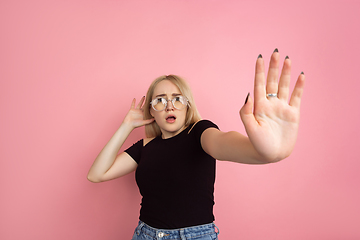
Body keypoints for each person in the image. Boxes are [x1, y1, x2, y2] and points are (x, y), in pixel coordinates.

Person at [87, 49, 305, 240]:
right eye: (160, 100)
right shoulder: (145, 147)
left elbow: (223, 143)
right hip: (145, 234)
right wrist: (126, 125)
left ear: (187, 106)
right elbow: (96, 174)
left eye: (177, 99)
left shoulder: (200, 132)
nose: (169, 106)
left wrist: (264, 153)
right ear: (152, 110)